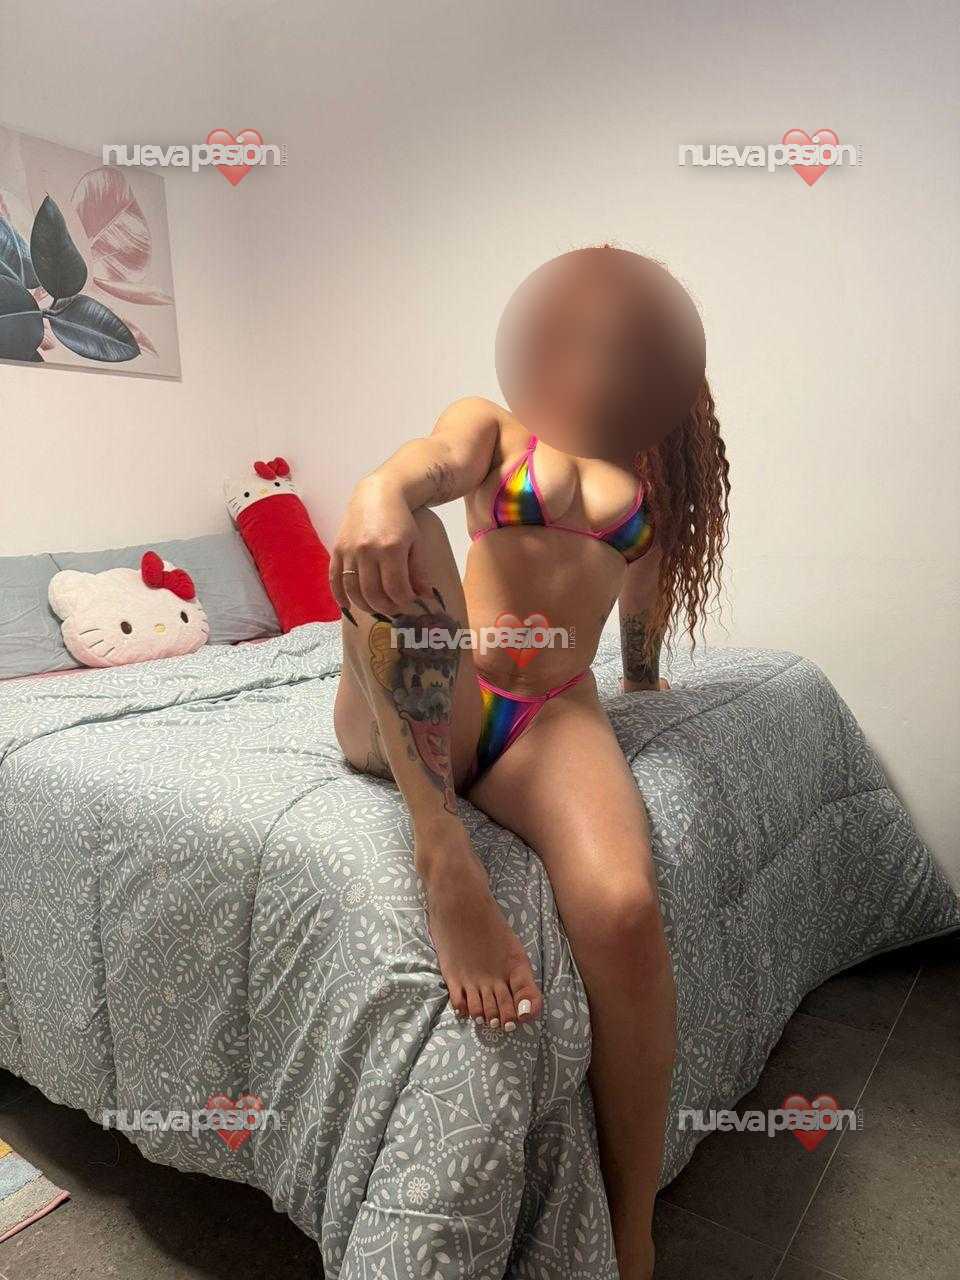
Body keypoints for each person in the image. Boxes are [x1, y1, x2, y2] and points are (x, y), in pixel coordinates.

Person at [330, 245, 730, 1280]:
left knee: (624, 907)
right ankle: (443, 856)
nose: (593, 356)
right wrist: (379, 487)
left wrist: (643, 680)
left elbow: (641, 610)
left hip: (551, 711)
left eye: (619, 341)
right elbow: (428, 463)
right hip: (441, 693)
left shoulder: (641, 488)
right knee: (403, 535)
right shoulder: (494, 427)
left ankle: (632, 1235)